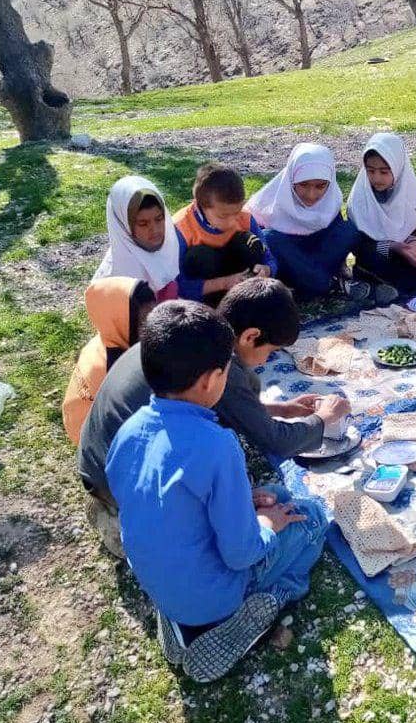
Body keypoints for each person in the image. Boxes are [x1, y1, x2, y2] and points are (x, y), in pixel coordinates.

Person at [105, 301, 329, 681]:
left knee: (275, 493)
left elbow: (160, 502)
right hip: (214, 595)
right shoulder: (218, 444)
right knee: (312, 519)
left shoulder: (130, 429)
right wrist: (266, 526)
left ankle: (180, 622)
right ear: (211, 380)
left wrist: (245, 502)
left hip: (163, 584)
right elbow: (242, 554)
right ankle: (250, 611)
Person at [76, 278, 348, 558]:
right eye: (271, 352)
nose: (267, 361)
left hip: (98, 460)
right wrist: (323, 419)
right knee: (277, 506)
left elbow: (233, 404)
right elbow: (277, 441)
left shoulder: (188, 334)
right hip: (113, 482)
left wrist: (280, 409)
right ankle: (120, 519)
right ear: (250, 336)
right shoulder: (214, 368)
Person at [245, 143, 364, 300]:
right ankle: (322, 283)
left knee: (349, 230)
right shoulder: (267, 205)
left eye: (320, 186)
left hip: (319, 258)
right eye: (303, 185)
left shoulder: (331, 202)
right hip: (289, 262)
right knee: (269, 238)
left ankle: (316, 282)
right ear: (291, 179)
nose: (311, 194)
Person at [346, 132, 416, 299]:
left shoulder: (407, 192)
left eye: (384, 172)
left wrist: (413, 243)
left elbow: (415, 231)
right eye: (371, 171)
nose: (376, 178)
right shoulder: (359, 198)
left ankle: (388, 285)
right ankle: (398, 283)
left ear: (397, 168)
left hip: (403, 257)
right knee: (372, 256)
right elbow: (358, 245)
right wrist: (393, 246)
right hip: (376, 257)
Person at [61, 277, 156, 445]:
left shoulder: (106, 340)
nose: (152, 327)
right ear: (122, 321)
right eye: (144, 322)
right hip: (90, 437)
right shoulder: (116, 367)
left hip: (76, 417)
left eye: (153, 314)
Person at [174, 163, 277, 307]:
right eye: (223, 216)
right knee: (199, 256)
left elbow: (269, 259)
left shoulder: (246, 218)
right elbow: (177, 285)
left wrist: (266, 270)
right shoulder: (181, 227)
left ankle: (246, 302)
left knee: (248, 242)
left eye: (237, 212)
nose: (233, 221)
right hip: (204, 294)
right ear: (199, 205)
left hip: (241, 284)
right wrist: (224, 283)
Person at [91, 176, 182, 300]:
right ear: (124, 225)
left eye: (159, 219)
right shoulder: (116, 279)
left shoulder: (167, 248)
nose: (155, 229)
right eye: (143, 224)